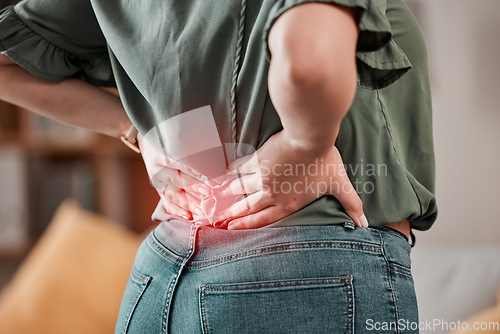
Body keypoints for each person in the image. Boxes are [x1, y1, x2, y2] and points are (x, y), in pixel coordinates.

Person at [0, 0, 437, 332]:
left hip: (156, 280)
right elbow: (311, 61)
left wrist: (132, 127)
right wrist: (305, 147)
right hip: (313, 276)